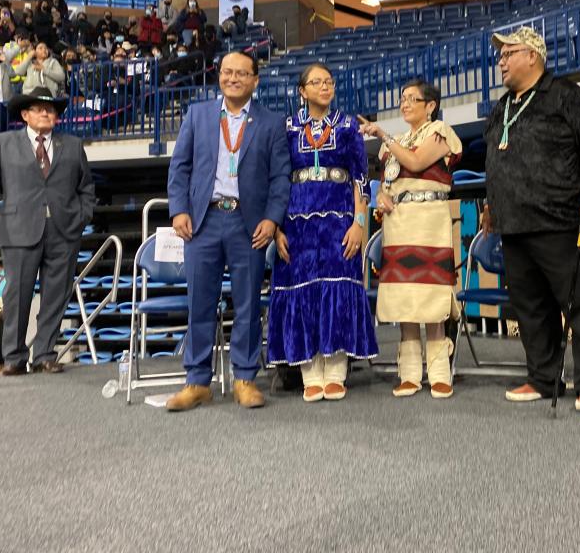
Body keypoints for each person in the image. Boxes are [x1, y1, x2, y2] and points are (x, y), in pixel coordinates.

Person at [482, 27, 580, 414]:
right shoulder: (501, 106)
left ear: (533, 56)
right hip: (514, 223)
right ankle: (542, 376)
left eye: (509, 54)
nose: (501, 62)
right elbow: (494, 157)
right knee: (531, 308)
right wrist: (492, 203)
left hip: (561, 218)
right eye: (500, 56)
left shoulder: (566, 95)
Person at [165, 51, 291, 411]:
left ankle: (246, 378)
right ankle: (197, 381)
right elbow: (180, 168)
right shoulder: (198, 114)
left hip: (247, 223)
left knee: (249, 302)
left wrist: (272, 218)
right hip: (202, 222)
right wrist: (179, 210)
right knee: (199, 302)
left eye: (242, 73)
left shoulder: (270, 122)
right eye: (227, 72)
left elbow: (280, 177)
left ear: (255, 80)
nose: (233, 78)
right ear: (219, 76)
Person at [268, 64, 377, 402]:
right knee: (302, 289)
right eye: (316, 82)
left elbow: (360, 177)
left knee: (339, 287)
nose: (324, 87)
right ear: (302, 91)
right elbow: (277, 179)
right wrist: (276, 229)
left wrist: (359, 223)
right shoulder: (287, 127)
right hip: (296, 221)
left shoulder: (347, 125)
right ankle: (309, 371)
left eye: (328, 81)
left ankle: (336, 370)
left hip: (339, 220)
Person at [0, 87, 95, 375]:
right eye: (39, 109)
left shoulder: (73, 146)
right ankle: (13, 357)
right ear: (25, 115)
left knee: (55, 296)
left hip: (64, 232)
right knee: (16, 296)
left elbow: (86, 188)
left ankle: (44, 355)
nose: (46, 113)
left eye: (50, 110)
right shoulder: (2, 143)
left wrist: (82, 217)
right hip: (18, 230)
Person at [358, 80, 463, 398]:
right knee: (405, 299)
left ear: (430, 105)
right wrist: (382, 197)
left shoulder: (440, 131)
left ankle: (439, 370)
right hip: (399, 224)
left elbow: (417, 161)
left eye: (412, 99)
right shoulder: (395, 142)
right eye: (402, 99)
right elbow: (388, 179)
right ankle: (409, 372)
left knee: (430, 295)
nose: (404, 104)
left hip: (429, 220)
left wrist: (382, 134)